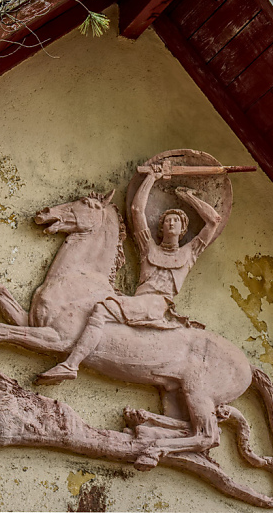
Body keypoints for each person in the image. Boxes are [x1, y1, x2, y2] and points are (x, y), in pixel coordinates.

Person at [35, 160, 223, 385]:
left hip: (157, 303)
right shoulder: (148, 248)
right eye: (168, 220)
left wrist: (187, 196)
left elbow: (214, 221)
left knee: (103, 309)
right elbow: (137, 210)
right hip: (138, 300)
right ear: (161, 226)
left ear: (184, 230)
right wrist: (152, 177)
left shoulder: (190, 253)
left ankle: (71, 365)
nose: (172, 224)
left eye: (177, 221)